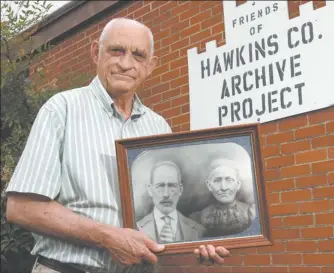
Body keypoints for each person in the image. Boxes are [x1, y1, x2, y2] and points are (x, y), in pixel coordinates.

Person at [5, 18, 230, 273]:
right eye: (116, 51)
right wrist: (107, 237)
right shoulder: (62, 109)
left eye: (138, 55)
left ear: (150, 66)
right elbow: (21, 208)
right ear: (95, 53)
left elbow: (167, 225)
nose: (126, 64)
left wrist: (195, 246)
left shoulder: (159, 127)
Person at [137, 161, 205, 243]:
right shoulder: (136, 229)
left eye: (171, 186)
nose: (166, 194)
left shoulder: (199, 231)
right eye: (160, 186)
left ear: (180, 190)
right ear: (150, 190)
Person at [190, 158, 256, 237]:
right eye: (217, 181)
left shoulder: (251, 213)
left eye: (229, 180)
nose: (224, 188)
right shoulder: (198, 218)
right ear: (209, 185)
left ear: (238, 184)